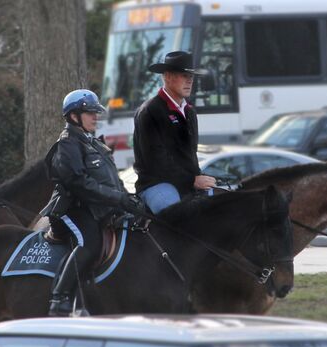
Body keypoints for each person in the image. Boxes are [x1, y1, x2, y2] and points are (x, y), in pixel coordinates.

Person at [41, 89, 145, 317]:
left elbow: (111, 179)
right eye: (90, 113)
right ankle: (60, 299)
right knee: (90, 243)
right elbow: (79, 183)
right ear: (74, 116)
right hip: (73, 208)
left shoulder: (94, 143)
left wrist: (126, 198)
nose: (95, 117)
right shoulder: (68, 144)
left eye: (95, 112)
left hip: (98, 208)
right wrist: (117, 198)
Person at [133, 51, 216, 214]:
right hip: (155, 183)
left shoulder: (190, 112)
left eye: (191, 77)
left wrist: (198, 177)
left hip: (187, 182)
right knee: (178, 217)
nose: (189, 81)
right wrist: (192, 180)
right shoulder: (149, 111)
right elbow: (155, 161)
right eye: (184, 75)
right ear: (167, 77)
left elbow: (190, 156)